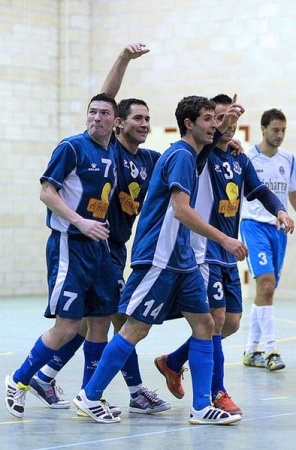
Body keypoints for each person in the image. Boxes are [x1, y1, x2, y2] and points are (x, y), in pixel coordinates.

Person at [72, 94, 248, 425]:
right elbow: (181, 210)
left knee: (207, 323)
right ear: (189, 124)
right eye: (208, 119)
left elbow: (208, 149)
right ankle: (90, 395)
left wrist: (226, 125)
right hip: (159, 258)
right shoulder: (180, 156)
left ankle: (201, 407)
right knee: (136, 329)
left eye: (217, 119)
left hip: (183, 261)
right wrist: (224, 238)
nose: (215, 124)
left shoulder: (192, 153)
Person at [27, 43, 171, 415]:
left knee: (93, 324)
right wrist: (123, 57)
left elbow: (185, 156)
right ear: (117, 122)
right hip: (90, 245)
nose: (143, 124)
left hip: (114, 246)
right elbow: (107, 98)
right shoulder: (106, 148)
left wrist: (224, 138)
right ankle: (135, 390)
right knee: (114, 320)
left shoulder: (150, 159)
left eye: (146, 119)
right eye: (135, 118)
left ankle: (46, 376)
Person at [153, 95, 294, 416]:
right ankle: (217, 392)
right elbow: (211, 141)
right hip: (205, 251)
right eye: (217, 120)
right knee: (213, 322)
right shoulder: (200, 157)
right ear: (209, 123)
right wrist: (226, 120)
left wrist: (281, 210)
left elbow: (258, 190)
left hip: (229, 251)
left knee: (230, 323)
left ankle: (173, 362)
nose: (225, 126)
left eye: (228, 121)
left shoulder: (239, 159)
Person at [5, 93, 122, 421]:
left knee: (100, 321)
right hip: (70, 245)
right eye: (92, 112)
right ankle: (18, 380)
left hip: (99, 247)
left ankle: (90, 396)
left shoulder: (113, 150)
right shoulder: (71, 147)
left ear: (115, 121)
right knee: (68, 326)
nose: (96, 117)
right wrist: (81, 221)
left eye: (103, 113)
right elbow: (46, 191)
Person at [240, 108, 296, 371]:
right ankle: (272, 349)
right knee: (266, 283)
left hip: (278, 230)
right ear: (263, 129)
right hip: (253, 226)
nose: (280, 135)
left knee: (266, 289)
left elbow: (292, 195)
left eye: (283, 130)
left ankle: (251, 350)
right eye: (275, 129)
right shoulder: (247, 157)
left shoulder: (289, 159)